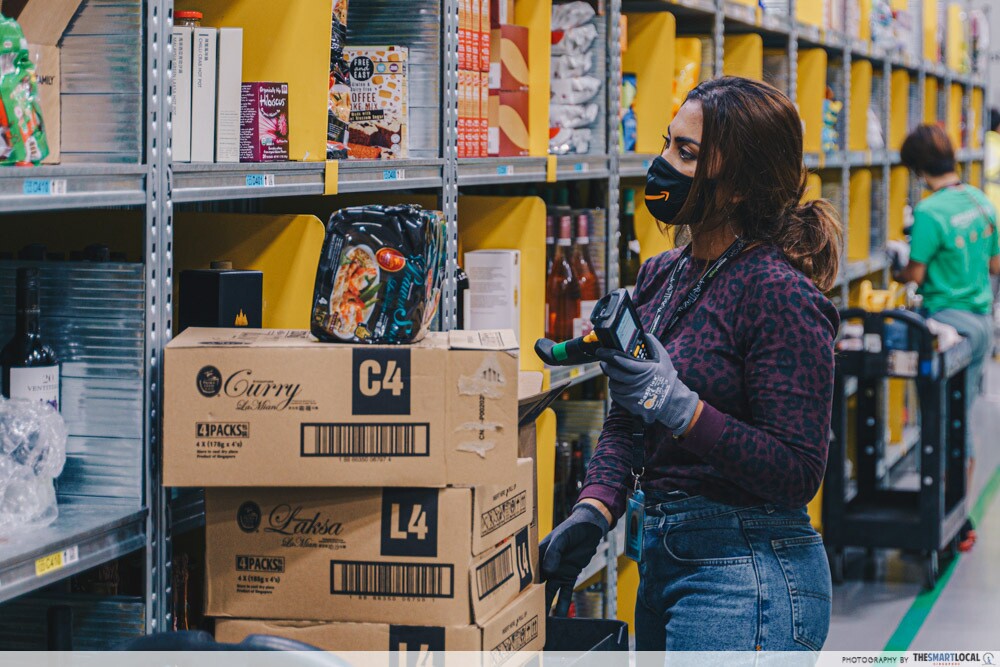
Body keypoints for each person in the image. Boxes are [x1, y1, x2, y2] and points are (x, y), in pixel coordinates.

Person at [539, 77, 842, 651]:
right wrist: (594, 507)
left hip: (748, 572)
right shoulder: (664, 273)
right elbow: (631, 417)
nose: (661, 165)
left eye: (686, 154)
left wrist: (680, 408)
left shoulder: (779, 294)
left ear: (737, 186)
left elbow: (798, 470)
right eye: (666, 143)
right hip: (661, 558)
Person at [893, 123, 1000, 550]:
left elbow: (915, 274)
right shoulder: (981, 201)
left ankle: (945, 520)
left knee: (939, 423)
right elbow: (995, 266)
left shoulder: (930, 212)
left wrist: (897, 265)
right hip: (980, 325)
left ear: (919, 168)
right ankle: (958, 514)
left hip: (945, 328)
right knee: (961, 417)